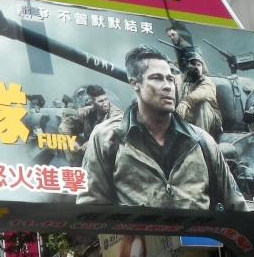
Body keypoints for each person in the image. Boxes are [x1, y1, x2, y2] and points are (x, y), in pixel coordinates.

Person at [78, 45, 245, 211]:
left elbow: (237, 207)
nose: (167, 86)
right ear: (135, 83)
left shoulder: (202, 142)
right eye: (157, 78)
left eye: (170, 79)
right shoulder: (107, 138)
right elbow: (91, 208)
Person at [59, 84, 120, 166]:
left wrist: (80, 149)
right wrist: (70, 141)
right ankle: (77, 168)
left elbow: (102, 138)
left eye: (106, 99)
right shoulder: (87, 112)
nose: (105, 104)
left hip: (108, 152)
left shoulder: (115, 115)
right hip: (89, 148)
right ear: (92, 103)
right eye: (100, 101)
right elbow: (65, 125)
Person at [175, 48, 222, 138]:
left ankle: (200, 141)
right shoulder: (179, 79)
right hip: (184, 119)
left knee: (203, 104)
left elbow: (203, 92)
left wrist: (186, 102)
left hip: (209, 122)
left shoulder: (207, 81)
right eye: (193, 64)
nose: (196, 67)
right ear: (186, 65)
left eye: (199, 64)